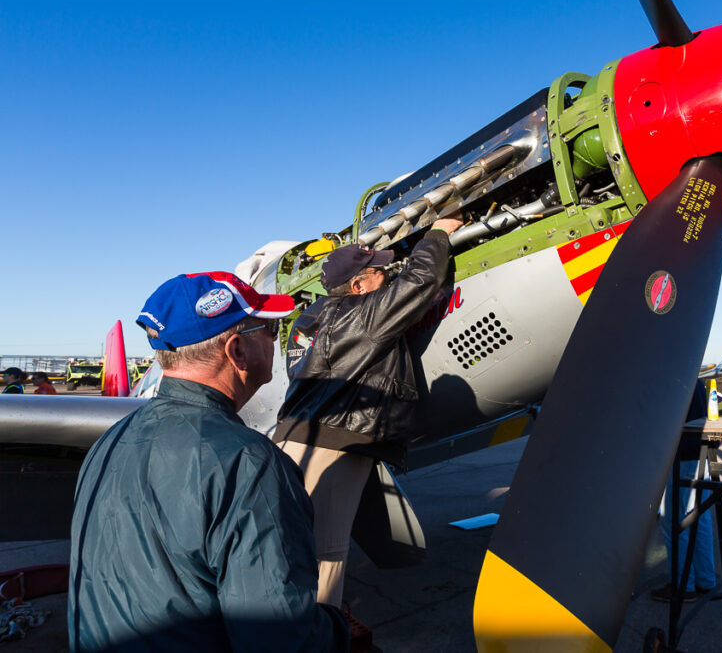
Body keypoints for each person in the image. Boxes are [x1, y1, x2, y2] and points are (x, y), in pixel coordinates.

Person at [68, 271, 349, 652]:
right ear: (237, 351)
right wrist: (336, 626)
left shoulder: (108, 441)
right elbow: (280, 639)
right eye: (268, 330)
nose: (274, 339)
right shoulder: (251, 464)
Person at [275, 217, 462, 607]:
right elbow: (420, 281)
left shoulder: (308, 321)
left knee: (296, 546)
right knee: (326, 558)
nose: (388, 275)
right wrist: (439, 232)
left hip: (299, 438)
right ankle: (320, 636)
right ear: (358, 286)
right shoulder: (361, 315)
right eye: (379, 271)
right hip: (336, 445)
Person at [651, 381, 717, 603]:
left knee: (674, 524)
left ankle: (682, 586)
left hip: (682, 457)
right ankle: (705, 579)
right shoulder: (694, 377)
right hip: (699, 454)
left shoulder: (673, 376)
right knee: (700, 520)